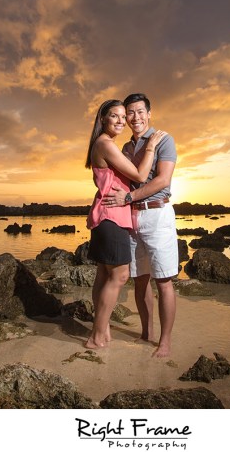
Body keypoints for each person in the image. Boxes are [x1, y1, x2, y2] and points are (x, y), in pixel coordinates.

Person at [84, 99, 166, 350]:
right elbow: (141, 176)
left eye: (123, 116)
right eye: (114, 116)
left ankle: (102, 328)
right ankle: (97, 336)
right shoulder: (106, 144)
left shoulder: (104, 144)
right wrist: (151, 146)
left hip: (105, 215)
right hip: (112, 217)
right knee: (119, 275)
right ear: (103, 120)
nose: (121, 121)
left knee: (103, 275)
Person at [102, 93, 178, 358]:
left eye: (139, 112)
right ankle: (147, 333)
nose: (135, 118)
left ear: (149, 113)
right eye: (129, 113)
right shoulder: (125, 148)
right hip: (131, 217)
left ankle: (165, 342)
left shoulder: (164, 140)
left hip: (157, 215)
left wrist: (129, 197)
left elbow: (163, 180)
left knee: (164, 281)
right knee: (140, 279)